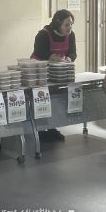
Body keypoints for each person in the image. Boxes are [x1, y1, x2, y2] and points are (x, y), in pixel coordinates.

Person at [31, 9, 77, 141]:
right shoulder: (43, 34)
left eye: (71, 24)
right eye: (66, 25)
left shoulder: (71, 35)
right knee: (42, 100)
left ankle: (52, 128)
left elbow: (73, 52)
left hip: (58, 73)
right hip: (41, 73)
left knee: (55, 101)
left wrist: (69, 58)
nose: (69, 27)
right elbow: (39, 52)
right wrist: (52, 57)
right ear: (58, 23)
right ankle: (39, 130)